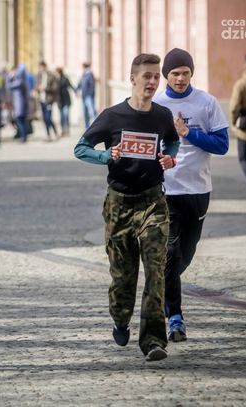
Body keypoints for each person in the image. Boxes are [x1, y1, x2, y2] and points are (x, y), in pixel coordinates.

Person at [74, 53, 179, 361]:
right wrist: (106, 156)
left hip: (153, 202)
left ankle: (153, 341)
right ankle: (120, 318)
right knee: (123, 276)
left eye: (156, 76)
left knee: (156, 271)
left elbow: (172, 141)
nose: (153, 81)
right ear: (132, 79)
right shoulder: (112, 116)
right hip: (119, 204)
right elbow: (81, 148)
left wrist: (169, 157)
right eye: (147, 76)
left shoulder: (162, 115)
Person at [154, 48, 229, 342]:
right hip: (167, 190)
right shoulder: (157, 105)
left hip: (198, 190)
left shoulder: (206, 102)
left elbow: (222, 145)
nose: (181, 78)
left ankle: (164, 286)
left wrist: (188, 133)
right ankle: (175, 318)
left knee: (185, 254)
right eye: (175, 73)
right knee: (171, 252)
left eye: (185, 73)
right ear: (167, 75)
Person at [230, 53, 246, 185]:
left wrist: (233, 122)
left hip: (245, 127)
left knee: (243, 158)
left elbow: (234, 107)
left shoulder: (242, 84)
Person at [36, 61, 59, 140]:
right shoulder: (39, 75)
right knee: (44, 119)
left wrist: (45, 88)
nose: (41, 69)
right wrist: (38, 88)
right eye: (40, 67)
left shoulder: (51, 76)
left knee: (48, 118)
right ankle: (48, 134)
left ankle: (55, 132)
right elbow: (37, 86)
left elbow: (55, 88)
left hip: (49, 100)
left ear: (45, 67)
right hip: (41, 100)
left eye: (42, 67)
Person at [6, 64, 29, 142]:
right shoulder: (22, 80)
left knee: (19, 120)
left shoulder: (20, 81)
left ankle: (23, 136)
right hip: (20, 105)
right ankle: (23, 136)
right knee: (22, 121)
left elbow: (8, 86)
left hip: (20, 105)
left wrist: (9, 77)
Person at [56, 67, 75, 137]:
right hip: (60, 101)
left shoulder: (65, 78)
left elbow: (70, 85)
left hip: (66, 100)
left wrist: (75, 91)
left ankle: (67, 130)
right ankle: (63, 130)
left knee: (66, 115)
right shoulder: (56, 79)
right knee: (61, 117)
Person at [77, 62, 97, 128]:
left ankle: (96, 127)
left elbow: (92, 86)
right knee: (85, 113)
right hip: (84, 96)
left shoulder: (90, 75)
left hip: (89, 96)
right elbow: (80, 83)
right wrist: (76, 90)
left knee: (92, 112)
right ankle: (87, 127)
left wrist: (90, 94)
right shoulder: (83, 75)